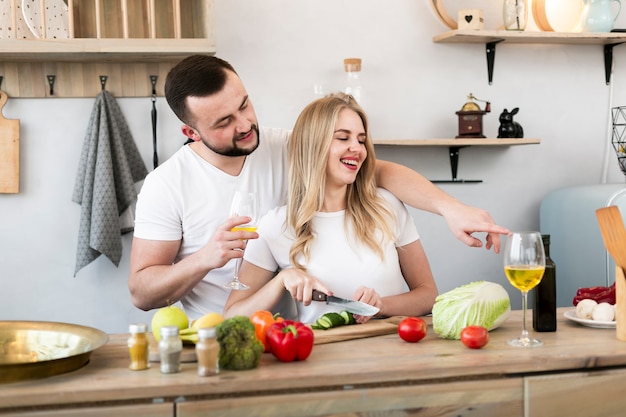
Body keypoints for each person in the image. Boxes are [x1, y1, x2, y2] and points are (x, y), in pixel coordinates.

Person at [128, 55, 508, 321]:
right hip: (221, 336)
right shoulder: (167, 186)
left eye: (245, 105)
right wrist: (206, 258)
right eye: (224, 121)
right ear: (191, 132)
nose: (245, 125)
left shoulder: (280, 144)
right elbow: (142, 293)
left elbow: (374, 169)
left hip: (295, 336)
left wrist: (450, 208)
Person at [223, 93, 438, 323]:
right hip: (320, 355)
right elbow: (232, 315)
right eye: (343, 138)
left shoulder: (387, 205)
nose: (357, 148)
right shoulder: (277, 225)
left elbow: (428, 294)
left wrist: (382, 305)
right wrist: (281, 280)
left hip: (392, 350)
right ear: (313, 146)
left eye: (361, 140)